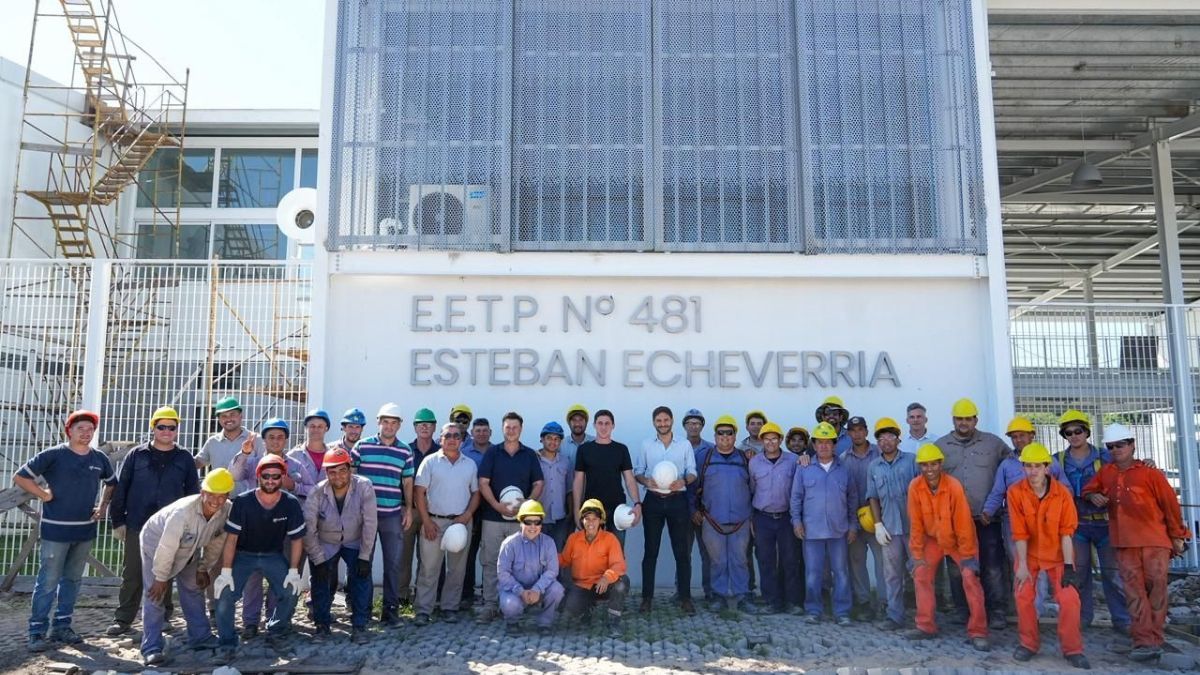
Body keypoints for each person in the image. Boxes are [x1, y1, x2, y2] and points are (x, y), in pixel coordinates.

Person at [1082, 423, 1191, 662]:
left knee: (1156, 589)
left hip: (1154, 541)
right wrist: (1093, 495)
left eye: (1120, 445)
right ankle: (1145, 640)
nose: (1116, 449)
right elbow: (1087, 489)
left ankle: (1154, 637)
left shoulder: (1151, 474)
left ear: (1132, 445)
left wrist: (1177, 536)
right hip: (1124, 543)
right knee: (1134, 592)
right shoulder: (1107, 472)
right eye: (1111, 446)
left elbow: (1170, 506)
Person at [16, 410, 117, 652]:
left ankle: (62, 627)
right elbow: (20, 477)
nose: (86, 433)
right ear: (69, 430)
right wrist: (44, 495)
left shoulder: (99, 458)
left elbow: (111, 483)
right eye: (81, 428)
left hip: (84, 531)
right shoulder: (53, 455)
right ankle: (37, 631)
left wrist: (102, 507)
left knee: (72, 580)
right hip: (55, 532)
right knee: (48, 582)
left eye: (90, 429)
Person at [107, 406, 200, 637]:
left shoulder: (185, 457)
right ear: (153, 428)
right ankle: (123, 618)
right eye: (162, 427)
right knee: (133, 573)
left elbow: (193, 493)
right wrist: (118, 521)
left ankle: (164, 616)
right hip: (137, 523)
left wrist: (191, 523)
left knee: (164, 571)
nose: (167, 431)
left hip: (171, 527)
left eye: (172, 427)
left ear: (177, 430)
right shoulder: (136, 455)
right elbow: (122, 488)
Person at [137, 469, 235, 666]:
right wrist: (161, 577)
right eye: (212, 495)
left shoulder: (227, 510)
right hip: (156, 544)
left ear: (227, 496)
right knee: (155, 595)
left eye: (222, 496)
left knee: (193, 589)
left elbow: (216, 542)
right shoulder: (182, 514)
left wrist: (203, 568)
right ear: (202, 492)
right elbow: (167, 546)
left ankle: (200, 637)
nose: (216, 501)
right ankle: (151, 647)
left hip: (190, 548)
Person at [213, 455, 306, 662]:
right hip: (244, 555)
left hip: (273, 555)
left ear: (282, 477)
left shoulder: (290, 503)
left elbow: (297, 540)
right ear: (258, 477)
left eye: (275, 476)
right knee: (225, 594)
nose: (270, 480)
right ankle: (227, 642)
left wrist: (293, 571)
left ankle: (276, 631)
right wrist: (226, 571)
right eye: (266, 476)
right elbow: (231, 540)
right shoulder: (243, 502)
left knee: (291, 591)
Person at [1006, 442, 1090, 670]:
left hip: (1059, 556)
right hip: (1029, 555)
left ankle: (1073, 649)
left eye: (1037, 466)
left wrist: (1069, 566)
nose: (1032, 471)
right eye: (1028, 466)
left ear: (1047, 468)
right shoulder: (1015, 492)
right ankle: (1028, 644)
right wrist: (1022, 566)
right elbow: (1019, 533)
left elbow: (1066, 533)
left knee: (1070, 600)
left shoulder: (1062, 494)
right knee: (1023, 596)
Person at [905, 444, 990, 651]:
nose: (929, 469)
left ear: (940, 464)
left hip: (958, 540)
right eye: (924, 465)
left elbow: (963, 522)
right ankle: (925, 625)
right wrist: (916, 555)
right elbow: (915, 523)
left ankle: (978, 631)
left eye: (933, 464)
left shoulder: (953, 486)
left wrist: (968, 554)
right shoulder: (915, 487)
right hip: (931, 539)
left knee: (970, 578)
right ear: (920, 467)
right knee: (921, 575)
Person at [935, 397, 1010, 629]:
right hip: (954, 522)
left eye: (968, 418)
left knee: (992, 567)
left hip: (986, 518)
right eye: (959, 419)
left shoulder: (994, 444)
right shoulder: (941, 446)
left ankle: (996, 612)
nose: (964, 423)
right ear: (953, 420)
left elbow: (1012, 470)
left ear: (976, 419)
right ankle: (962, 610)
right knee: (957, 570)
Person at [1054, 409, 1131, 634]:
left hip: (1106, 523)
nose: (1074, 436)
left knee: (1112, 572)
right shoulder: (1057, 459)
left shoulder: (1104, 456)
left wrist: (1146, 462)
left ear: (1086, 432)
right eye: (1069, 433)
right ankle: (1082, 617)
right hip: (1076, 524)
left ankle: (1122, 619)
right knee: (1080, 572)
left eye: (1078, 431)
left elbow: (1126, 467)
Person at [982, 416, 1061, 617]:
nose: (1018, 440)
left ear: (1031, 436)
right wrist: (988, 512)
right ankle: (1026, 608)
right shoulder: (1007, 465)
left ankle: (1037, 608)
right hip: (1014, 522)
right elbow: (998, 491)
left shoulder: (1047, 460)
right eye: (1014, 437)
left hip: (1043, 521)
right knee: (1019, 563)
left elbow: (1064, 488)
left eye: (1022, 436)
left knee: (1041, 563)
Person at [228, 417, 298, 636]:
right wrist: (245, 453)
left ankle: (275, 620)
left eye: (280, 437)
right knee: (252, 579)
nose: (275, 441)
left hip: (282, 530)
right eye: (271, 437)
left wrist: (292, 484)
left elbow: (309, 486)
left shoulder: (295, 464)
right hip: (252, 530)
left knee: (280, 578)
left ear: (286, 440)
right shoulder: (252, 461)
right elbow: (234, 475)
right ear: (264, 440)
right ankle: (250, 622)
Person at [303, 448, 377, 643]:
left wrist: (365, 556)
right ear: (326, 473)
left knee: (360, 578)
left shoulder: (364, 487)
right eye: (332, 471)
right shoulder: (316, 492)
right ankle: (322, 625)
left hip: (354, 539)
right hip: (326, 540)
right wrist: (317, 559)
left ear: (350, 469)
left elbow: (370, 523)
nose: (338, 476)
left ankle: (360, 625)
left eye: (342, 470)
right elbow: (309, 529)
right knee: (320, 580)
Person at [477, 411, 544, 621]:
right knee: (490, 561)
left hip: (519, 522)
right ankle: (489, 604)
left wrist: (527, 505)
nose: (511, 430)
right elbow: (483, 483)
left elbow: (538, 484)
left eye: (515, 427)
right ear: (502, 429)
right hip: (493, 518)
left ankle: (515, 604)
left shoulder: (530, 455)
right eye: (508, 427)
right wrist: (497, 506)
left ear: (521, 429)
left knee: (519, 563)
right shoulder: (492, 453)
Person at [353, 402, 415, 625]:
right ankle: (363, 612)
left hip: (392, 515)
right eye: (385, 421)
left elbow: (407, 483)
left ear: (399, 425)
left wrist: (408, 509)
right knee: (363, 564)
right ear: (378, 422)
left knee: (393, 565)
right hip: (365, 516)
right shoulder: (361, 446)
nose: (389, 426)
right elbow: (351, 479)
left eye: (394, 422)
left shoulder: (405, 451)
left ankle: (390, 613)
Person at [413, 423, 481, 625]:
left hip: (459, 523)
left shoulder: (470, 464)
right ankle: (424, 610)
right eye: (448, 435)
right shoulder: (429, 462)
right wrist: (426, 520)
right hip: (433, 521)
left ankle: (449, 607)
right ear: (440, 439)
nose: (452, 439)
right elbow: (419, 492)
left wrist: (468, 514)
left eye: (457, 436)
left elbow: (476, 492)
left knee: (457, 569)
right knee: (429, 569)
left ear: (462, 440)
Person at [790, 421, 855, 625]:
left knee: (841, 573)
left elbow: (853, 499)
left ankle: (842, 611)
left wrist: (853, 526)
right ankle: (813, 610)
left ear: (835, 445)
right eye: (820, 442)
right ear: (814, 445)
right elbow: (796, 498)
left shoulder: (844, 469)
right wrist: (796, 522)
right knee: (812, 574)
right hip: (812, 531)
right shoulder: (804, 468)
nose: (824, 446)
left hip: (839, 531)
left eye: (828, 442)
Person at [634, 406, 697, 615]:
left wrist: (682, 481)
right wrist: (645, 480)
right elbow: (638, 472)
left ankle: (685, 598)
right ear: (654, 422)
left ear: (672, 421)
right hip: (652, 501)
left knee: (682, 552)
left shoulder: (685, 444)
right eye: (659, 420)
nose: (662, 423)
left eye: (666, 420)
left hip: (677, 501)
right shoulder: (645, 445)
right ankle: (647, 599)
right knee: (650, 552)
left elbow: (693, 473)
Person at [692, 414, 752, 612]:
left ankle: (742, 596)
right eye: (720, 433)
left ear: (735, 436)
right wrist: (695, 510)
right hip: (712, 519)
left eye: (729, 433)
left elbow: (755, 487)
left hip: (740, 520)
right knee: (716, 560)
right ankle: (718, 596)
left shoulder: (745, 458)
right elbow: (693, 486)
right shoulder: (705, 458)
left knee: (740, 560)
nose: (725, 437)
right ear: (715, 435)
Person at [865, 416, 918, 629]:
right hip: (889, 529)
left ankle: (924, 618)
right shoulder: (873, 467)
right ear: (878, 442)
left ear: (898, 439)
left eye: (890, 436)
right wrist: (878, 525)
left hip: (914, 528)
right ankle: (894, 616)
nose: (886, 441)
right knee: (892, 575)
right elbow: (873, 497)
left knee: (920, 574)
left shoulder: (912, 461)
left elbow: (922, 492)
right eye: (882, 437)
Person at [749, 421, 800, 614]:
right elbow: (752, 490)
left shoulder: (793, 460)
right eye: (766, 439)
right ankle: (771, 601)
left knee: (790, 559)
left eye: (774, 438)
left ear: (780, 440)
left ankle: (792, 602)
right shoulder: (754, 463)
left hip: (787, 517)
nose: (770, 442)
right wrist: (752, 519)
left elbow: (798, 490)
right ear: (762, 441)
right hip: (763, 518)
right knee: (765, 559)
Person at [559, 499, 629, 636]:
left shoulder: (610, 539)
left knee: (622, 584)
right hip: (582, 586)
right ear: (582, 520)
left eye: (594, 519)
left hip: (603, 585)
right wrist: (545, 557)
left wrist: (606, 578)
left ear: (601, 521)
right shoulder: (573, 539)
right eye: (587, 519)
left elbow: (619, 564)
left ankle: (614, 621)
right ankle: (587, 610)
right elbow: (564, 560)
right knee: (568, 609)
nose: (590, 523)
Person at [573, 409, 642, 542]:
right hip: (592, 511)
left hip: (617, 510)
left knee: (617, 555)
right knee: (593, 556)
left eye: (607, 423)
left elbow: (629, 479)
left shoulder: (621, 449)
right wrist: (577, 510)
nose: (603, 427)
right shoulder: (584, 449)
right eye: (600, 423)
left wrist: (637, 504)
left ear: (613, 426)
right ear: (594, 425)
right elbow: (578, 481)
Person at [497, 500, 564, 635]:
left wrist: (537, 589)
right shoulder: (509, 544)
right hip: (515, 591)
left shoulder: (549, 543)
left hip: (539, 589)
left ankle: (544, 623)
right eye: (528, 522)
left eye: (537, 522)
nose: (533, 526)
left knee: (557, 590)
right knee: (510, 604)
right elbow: (503, 573)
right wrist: (521, 591)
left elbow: (552, 571)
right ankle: (513, 623)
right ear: (521, 522)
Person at [841, 415, 883, 620]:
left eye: (860, 430)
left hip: (878, 518)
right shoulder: (843, 459)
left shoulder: (880, 453)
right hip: (854, 519)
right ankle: (864, 602)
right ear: (848, 434)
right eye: (853, 430)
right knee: (856, 562)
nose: (857, 434)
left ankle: (884, 603)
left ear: (866, 431)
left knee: (883, 563)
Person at [399, 407, 441, 609]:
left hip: (431, 514)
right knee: (403, 556)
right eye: (420, 424)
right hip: (407, 510)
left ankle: (423, 599)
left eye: (428, 424)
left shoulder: (441, 452)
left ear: (434, 427)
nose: (424, 427)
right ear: (415, 427)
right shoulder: (405, 450)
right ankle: (401, 597)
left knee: (428, 559)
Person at [683, 408, 716, 600]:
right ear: (685, 426)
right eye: (690, 423)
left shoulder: (711, 449)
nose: (693, 426)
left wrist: (701, 508)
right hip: (683, 509)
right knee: (683, 553)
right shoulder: (677, 447)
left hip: (705, 511)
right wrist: (690, 508)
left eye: (697, 423)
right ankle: (682, 591)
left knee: (708, 553)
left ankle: (710, 591)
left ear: (702, 426)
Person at [458, 416, 489, 609]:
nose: (481, 433)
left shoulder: (497, 451)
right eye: (478, 431)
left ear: (490, 433)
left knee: (491, 552)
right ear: (472, 433)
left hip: (492, 508)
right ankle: (466, 594)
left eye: (485, 430)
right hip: (470, 507)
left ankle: (489, 592)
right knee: (468, 551)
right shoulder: (464, 452)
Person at [196, 396, 264, 471]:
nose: (228, 419)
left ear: (241, 415)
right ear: (219, 419)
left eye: (232, 414)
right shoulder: (212, 442)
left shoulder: (256, 440)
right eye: (224, 416)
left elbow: (266, 467)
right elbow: (195, 463)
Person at [537, 422, 573, 551]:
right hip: (538, 518)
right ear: (542, 439)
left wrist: (570, 512)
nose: (553, 442)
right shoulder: (534, 460)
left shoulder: (565, 461)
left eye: (557, 439)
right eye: (549, 438)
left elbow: (569, 488)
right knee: (538, 556)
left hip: (560, 518)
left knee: (557, 555)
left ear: (561, 442)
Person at [285, 409, 333, 501]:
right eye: (312, 426)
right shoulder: (293, 455)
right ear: (306, 428)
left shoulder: (332, 456)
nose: (316, 429)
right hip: (301, 510)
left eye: (320, 426)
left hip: (328, 511)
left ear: (326, 428)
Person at [562, 404, 594, 468]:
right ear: (569, 423)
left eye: (581, 420)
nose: (577, 424)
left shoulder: (595, 442)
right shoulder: (561, 444)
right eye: (574, 420)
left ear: (586, 422)